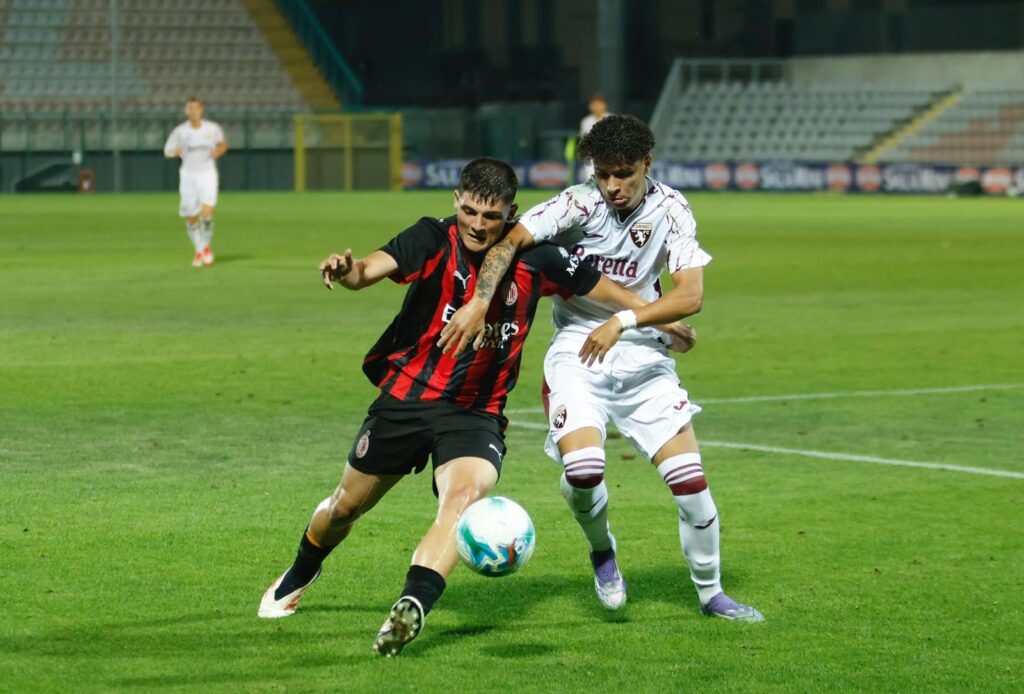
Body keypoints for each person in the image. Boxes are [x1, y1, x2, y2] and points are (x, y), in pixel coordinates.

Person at [257, 158, 697, 657]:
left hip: (475, 413)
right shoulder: (429, 239)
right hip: (405, 399)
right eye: (469, 211)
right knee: (345, 506)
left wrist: (655, 320)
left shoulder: (538, 257)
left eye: (491, 216)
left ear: (510, 212)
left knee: (462, 500)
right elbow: (367, 272)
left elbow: (600, 289)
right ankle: (301, 571)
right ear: (456, 202)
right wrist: (347, 270)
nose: (477, 225)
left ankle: (410, 607)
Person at [438, 116, 764, 622]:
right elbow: (507, 243)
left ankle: (711, 593)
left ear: (646, 166)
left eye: (623, 174)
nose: (612, 186)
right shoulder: (577, 203)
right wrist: (481, 302)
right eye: (603, 173)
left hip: (643, 357)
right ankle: (603, 552)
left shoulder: (672, 209)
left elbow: (691, 295)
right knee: (585, 471)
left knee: (692, 486)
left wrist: (628, 320)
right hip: (577, 349)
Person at [163, 96, 227, 267]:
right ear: (186, 111)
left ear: (201, 109)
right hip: (188, 176)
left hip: (207, 174)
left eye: (196, 108)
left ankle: (205, 248)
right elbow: (167, 151)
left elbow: (222, 144)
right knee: (192, 216)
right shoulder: (180, 131)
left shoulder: (212, 129)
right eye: (190, 108)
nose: (193, 111)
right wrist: (175, 151)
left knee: (206, 213)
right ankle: (198, 249)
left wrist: (218, 151)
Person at [578, 94, 610, 182]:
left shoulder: (610, 118)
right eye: (595, 104)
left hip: (608, 154)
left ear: (605, 105)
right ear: (590, 106)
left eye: (599, 104)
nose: (597, 107)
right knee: (591, 178)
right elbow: (585, 139)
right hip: (592, 154)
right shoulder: (586, 121)